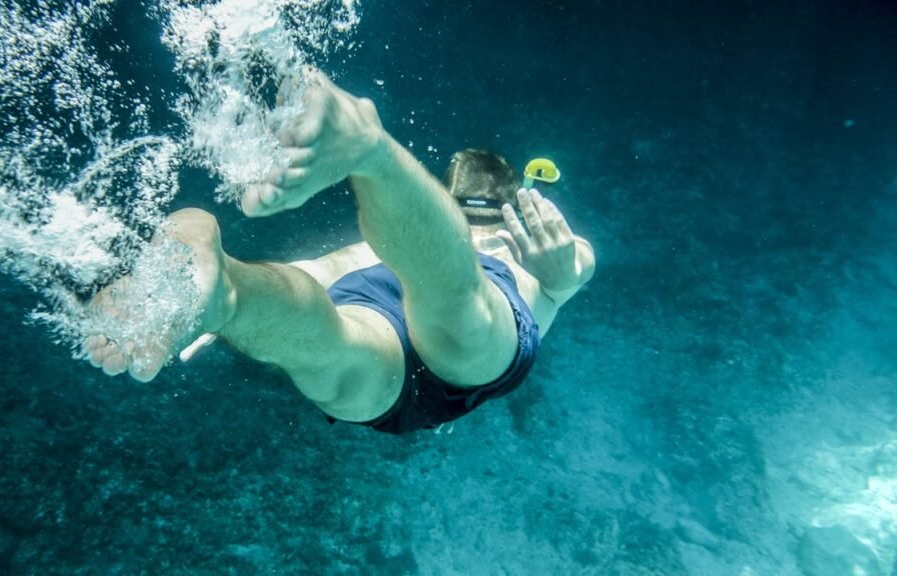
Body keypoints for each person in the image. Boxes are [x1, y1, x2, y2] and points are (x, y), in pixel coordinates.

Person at [84, 70, 595, 435]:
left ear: (443, 197)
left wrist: (209, 302)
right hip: (452, 332)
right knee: (459, 313)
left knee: (327, 341)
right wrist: (560, 273)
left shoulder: (398, 240)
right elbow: (574, 266)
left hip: (380, 297)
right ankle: (371, 153)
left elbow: (325, 269)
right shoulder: (534, 247)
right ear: (511, 205)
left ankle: (230, 292)